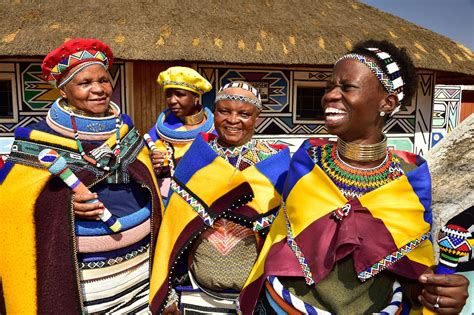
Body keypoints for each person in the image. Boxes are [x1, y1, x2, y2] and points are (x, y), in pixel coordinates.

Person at [240, 40, 469, 314]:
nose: (330, 96)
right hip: (280, 306)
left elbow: (411, 272)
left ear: (388, 102)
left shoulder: (410, 179)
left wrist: (436, 293)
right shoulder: (307, 161)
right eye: (329, 88)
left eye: (347, 87)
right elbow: (281, 240)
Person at [0, 38, 162, 314]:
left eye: (104, 80)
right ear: (63, 91)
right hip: (84, 280)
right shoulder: (38, 141)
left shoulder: (124, 128)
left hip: (141, 270)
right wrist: (64, 205)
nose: (98, 89)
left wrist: (152, 170)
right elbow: (13, 202)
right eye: (84, 83)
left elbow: (141, 178)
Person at [148, 81, 291, 314]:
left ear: (257, 118)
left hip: (256, 295)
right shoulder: (197, 158)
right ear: (215, 113)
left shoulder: (273, 164)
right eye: (225, 111)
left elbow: (282, 234)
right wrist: (170, 291)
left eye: (244, 114)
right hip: (197, 291)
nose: (233, 120)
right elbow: (175, 228)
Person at [146, 66, 214, 204]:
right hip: (168, 200)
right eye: (168, 95)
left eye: (180, 94)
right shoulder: (158, 131)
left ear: (196, 97)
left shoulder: (216, 130)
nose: (172, 100)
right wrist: (152, 162)